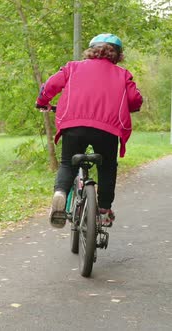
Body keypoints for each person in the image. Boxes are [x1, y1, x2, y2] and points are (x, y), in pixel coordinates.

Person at [35, 33, 143, 229]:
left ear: (92, 50)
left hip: (74, 125)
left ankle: (60, 193)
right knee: (107, 167)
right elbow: (135, 99)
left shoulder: (72, 67)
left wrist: (42, 102)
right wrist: (132, 107)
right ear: (118, 55)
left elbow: (50, 85)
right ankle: (103, 211)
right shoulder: (122, 74)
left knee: (68, 163)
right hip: (107, 128)